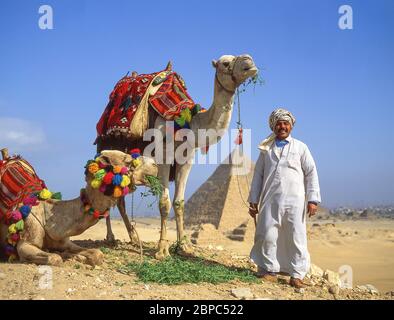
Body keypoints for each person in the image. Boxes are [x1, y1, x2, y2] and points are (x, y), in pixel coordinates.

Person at [248, 108, 321, 288]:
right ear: (273, 126)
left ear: (291, 126)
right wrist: (253, 200)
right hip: (270, 200)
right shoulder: (266, 149)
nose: (282, 126)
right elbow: (258, 175)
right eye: (279, 123)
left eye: (285, 123)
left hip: (295, 201)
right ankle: (269, 270)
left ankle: (296, 275)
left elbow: (311, 173)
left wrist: (312, 199)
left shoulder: (300, 147)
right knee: (267, 235)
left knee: (297, 236)